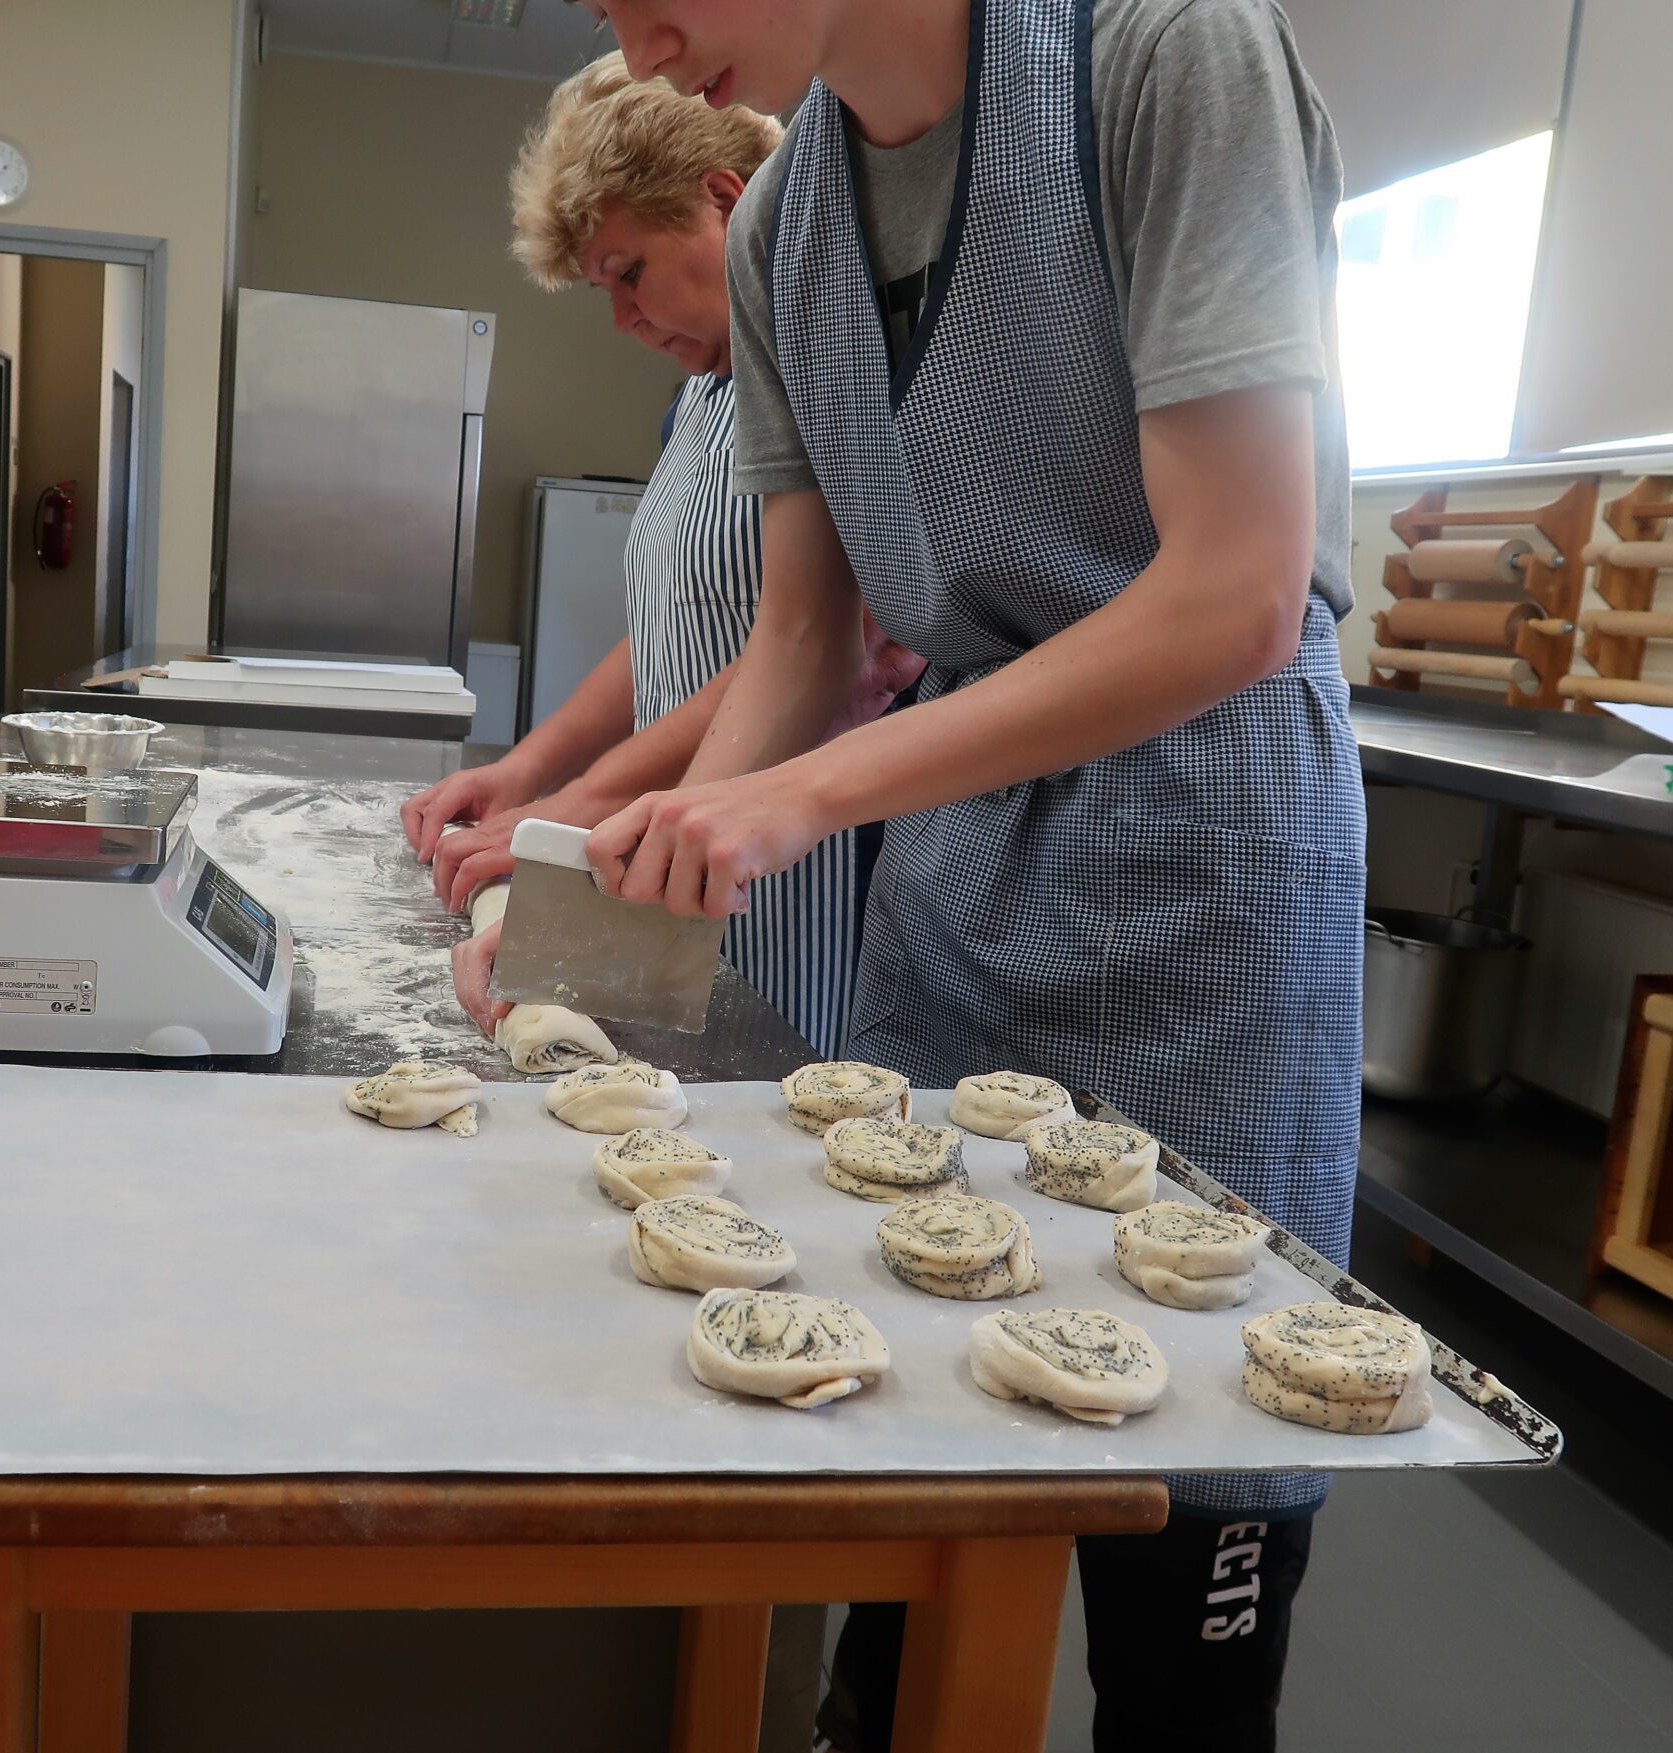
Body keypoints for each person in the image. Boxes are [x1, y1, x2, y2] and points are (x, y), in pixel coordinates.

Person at [569, 3, 1362, 1749]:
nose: (635, 45)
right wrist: (640, 889)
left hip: (1202, 857)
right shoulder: (786, 227)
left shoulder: (1161, 60)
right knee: (917, 1414)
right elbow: (803, 630)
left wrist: (802, 797)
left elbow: (1235, 588)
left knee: (1197, 1515)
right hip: (958, 871)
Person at [400, 52, 921, 1054]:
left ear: (724, 201)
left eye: (629, 273)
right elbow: (673, 622)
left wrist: (585, 814)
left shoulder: (835, 370)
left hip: (795, 865)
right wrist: (536, 772)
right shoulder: (699, 402)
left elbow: (818, 649)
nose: (623, 320)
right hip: (677, 838)